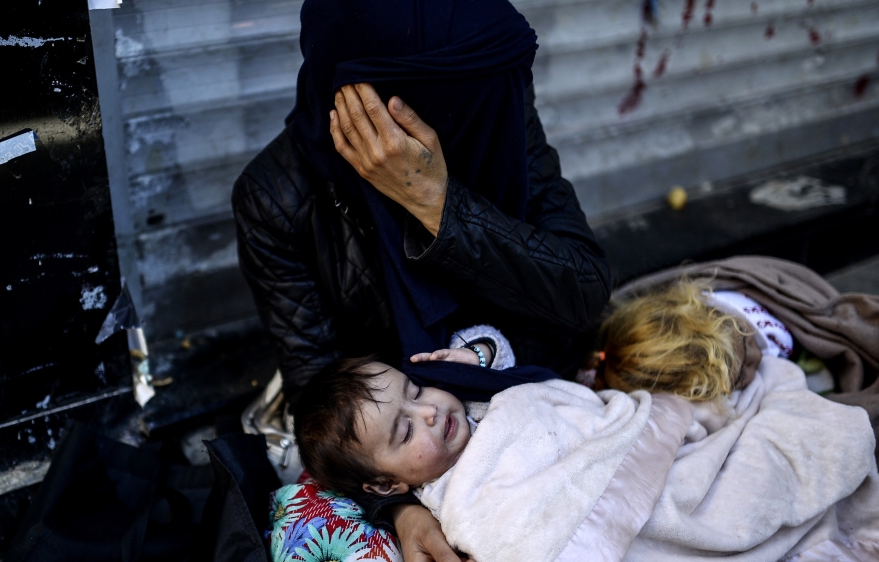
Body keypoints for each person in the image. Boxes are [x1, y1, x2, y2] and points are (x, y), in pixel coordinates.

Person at [232, 0, 611, 557]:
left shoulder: (490, 89)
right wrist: (400, 508)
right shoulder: (276, 200)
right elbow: (318, 391)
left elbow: (585, 292)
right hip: (412, 458)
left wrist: (438, 205)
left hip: (545, 387)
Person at [293, 283, 879, 561]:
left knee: (748, 438)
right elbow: (522, 539)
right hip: (596, 517)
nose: (430, 410)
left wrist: (475, 360)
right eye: (405, 431)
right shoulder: (459, 501)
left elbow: (519, 374)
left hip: (637, 445)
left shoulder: (468, 401)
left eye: (415, 390)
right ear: (385, 484)